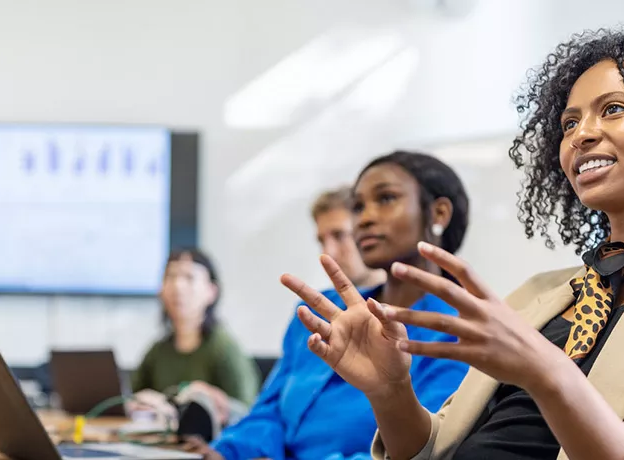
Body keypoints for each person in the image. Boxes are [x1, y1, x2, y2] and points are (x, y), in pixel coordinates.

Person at [281, 20, 624, 460]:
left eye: (614, 109)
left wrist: (549, 373)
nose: (581, 134)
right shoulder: (542, 293)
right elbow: (432, 450)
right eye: (569, 121)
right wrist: (391, 393)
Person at [187, 151, 472, 460]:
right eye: (358, 206)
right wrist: (229, 452)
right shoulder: (318, 312)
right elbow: (269, 410)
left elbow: (426, 448)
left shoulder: (458, 332)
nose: (364, 218)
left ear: (439, 213)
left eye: (386, 198)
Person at [129, 248, 259, 425]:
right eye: (171, 276)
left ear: (211, 291)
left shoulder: (223, 348)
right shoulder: (158, 350)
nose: (178, 286)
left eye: (189, 278)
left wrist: (218, 403)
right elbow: (131, 398)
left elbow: (251, 412)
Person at [312, 186, 384, 288]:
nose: (329, 253)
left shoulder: (412, 298)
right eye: (322, 241)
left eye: (339, 236)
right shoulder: (313, 303)